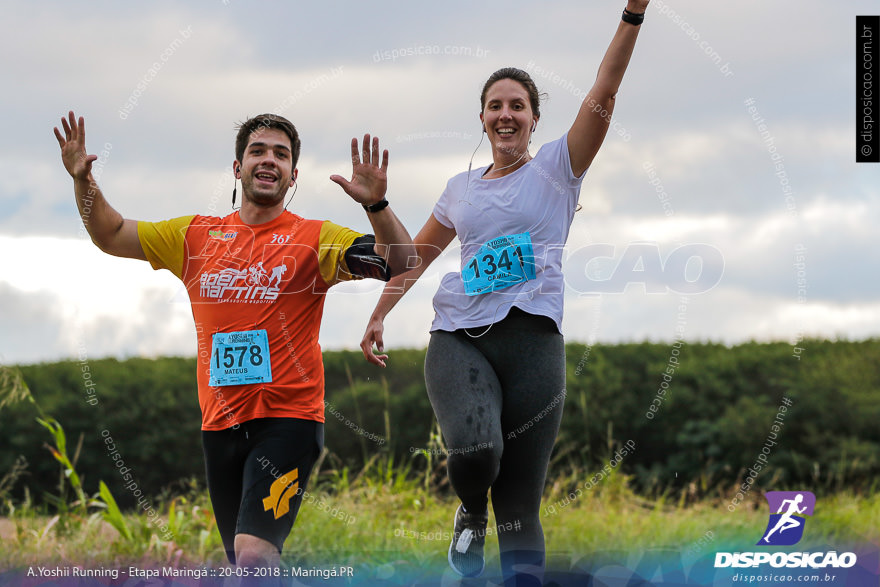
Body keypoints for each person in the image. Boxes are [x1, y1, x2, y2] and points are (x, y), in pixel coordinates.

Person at [360, 3, 650, 583]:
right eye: (496, 106)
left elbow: (605, 90)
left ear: (535, 119)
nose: (506, 114)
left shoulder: (558, 169)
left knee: (519, 508)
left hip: (534, 344)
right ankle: (469, 512)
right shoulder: (459, 189)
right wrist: (379, 312)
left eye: (518, 105)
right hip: (460, 338)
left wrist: (633, 14)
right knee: (475, 452)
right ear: (483, 119)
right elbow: (415, 258)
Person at [54, 111, 415, 576]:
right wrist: (84, 182)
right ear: (237, 168)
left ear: (294, 175)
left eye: (281, 155)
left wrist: (378, 206)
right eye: (258, 151)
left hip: (289, 419)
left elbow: (401, 259)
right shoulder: (193, 236)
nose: (269, 160)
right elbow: (110, 233)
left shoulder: (315, 239)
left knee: (253, 553)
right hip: (220, 424)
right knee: (246, 564)